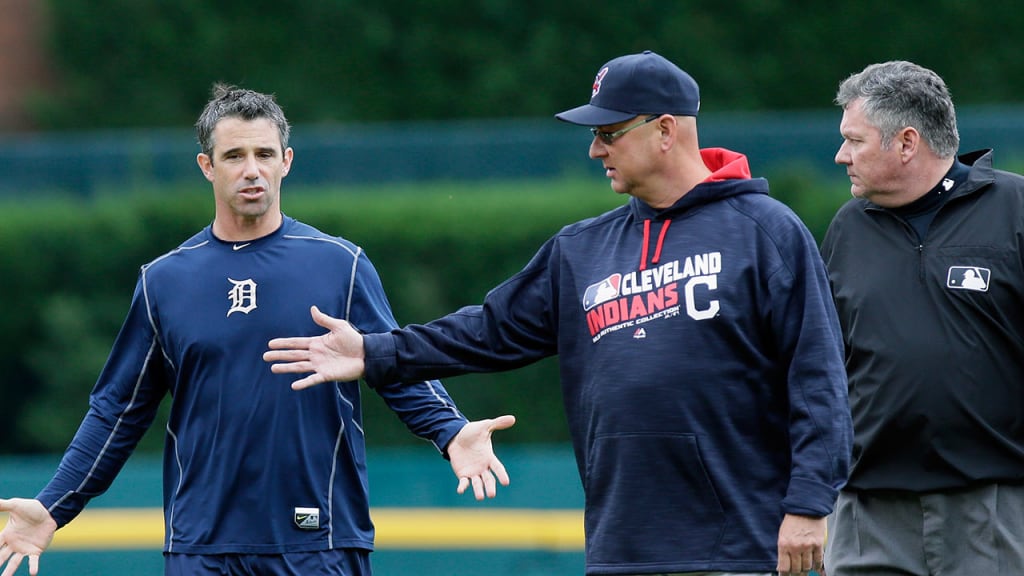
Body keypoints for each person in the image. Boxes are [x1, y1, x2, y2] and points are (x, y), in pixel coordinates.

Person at [264, 50, 852, 576]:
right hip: (622, 546)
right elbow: (488, 331)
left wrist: (808, 506)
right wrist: (374, 351)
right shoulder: (582, 249)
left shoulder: (766, 232)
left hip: (741, 549)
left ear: (666, 130)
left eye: (609, 132)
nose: (595, 148)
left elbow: (818, 378)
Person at [0, 84, 515, 576]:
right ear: (207, 166)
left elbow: (390, 361)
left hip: (319, 540)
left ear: (286, 162)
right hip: (201, 546)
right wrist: (53, 506)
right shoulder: (163, 282)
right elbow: (116, 410)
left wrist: (450, 430)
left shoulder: (340, 265)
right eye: (234, 156)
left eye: (265, 155)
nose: (252, 171)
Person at [821, 60, 1024, 575]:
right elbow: (824, 365)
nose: (841, 155)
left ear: (906, 142)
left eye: (855, 140)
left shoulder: (1015, 208)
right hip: (867, 511)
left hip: (993, 508)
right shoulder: (847, 227)